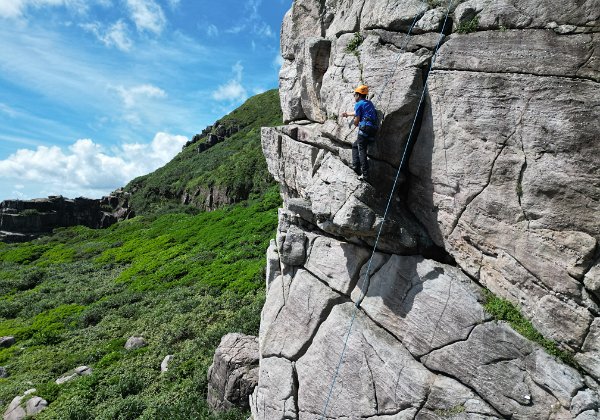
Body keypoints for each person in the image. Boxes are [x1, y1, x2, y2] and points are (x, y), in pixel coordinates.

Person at [342, 85, 378, 181]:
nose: (354, 96)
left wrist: (355, 123)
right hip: (372, 129)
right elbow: (358, 112)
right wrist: (347, 114)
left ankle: (365, 174)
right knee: (355, 145)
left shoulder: (358, 104)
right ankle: (355, 167)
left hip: (364, 128)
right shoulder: (368, 103)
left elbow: (357, 119)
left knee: (361, 150)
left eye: (354, 95)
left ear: (358, 95)